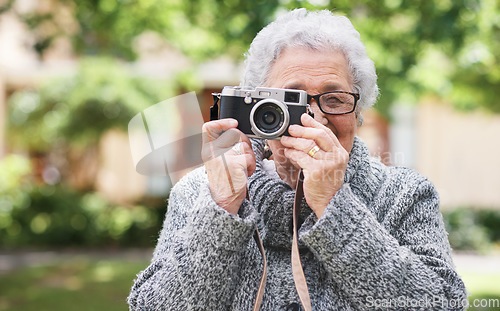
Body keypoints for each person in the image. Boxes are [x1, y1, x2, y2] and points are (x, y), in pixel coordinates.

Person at [128, 9, 467, 310]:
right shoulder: (201, 191)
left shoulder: (404, 194)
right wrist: (222, 210)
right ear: (257, 108)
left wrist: (336, 207)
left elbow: (441, 303)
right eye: (293, 100)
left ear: (358, 110)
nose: (316, 118)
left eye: (334, 99)